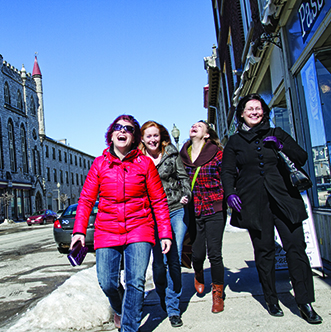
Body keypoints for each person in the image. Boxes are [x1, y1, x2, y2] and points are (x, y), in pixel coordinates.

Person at [221, 93, 322, 324]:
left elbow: (302, 157)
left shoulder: (277, 133)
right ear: (242, 114)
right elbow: (227, 171)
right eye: (250, 109)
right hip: (254, 204)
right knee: (264, 252)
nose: (254, 112)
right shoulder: (235, 142)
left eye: (258, 108)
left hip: (285, 199)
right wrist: (230, 193)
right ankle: (271, 298)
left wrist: (282, 146)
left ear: (264, 112)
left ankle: (304, 302)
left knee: (296, 247)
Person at [70, 115, 172, 332]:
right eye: (118, 127)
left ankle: (129, 328)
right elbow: (87, 199)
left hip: (139, 228)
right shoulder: (100, 164)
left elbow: (158, 200)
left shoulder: (144, 164)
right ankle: (120, 307)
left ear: (135, 137)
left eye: (128, 128)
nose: (122, 131)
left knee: (136, 281)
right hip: (107, 229)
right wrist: (78, 231)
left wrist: (164, 232)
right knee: (107, 282)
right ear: (111, 134)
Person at [139, 121, 191, 327]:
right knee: (159, 263)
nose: (153, 139)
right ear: (142, 139)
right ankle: (162, 293)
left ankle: (173, 307)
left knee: (174, 258)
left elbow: (183, 177)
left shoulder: (171, 153)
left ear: (161, 136)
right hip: (151, 215)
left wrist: (186, 193)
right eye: (148, 136)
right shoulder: (138, 159)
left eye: (156, 135)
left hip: (175, 209)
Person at [179, 120, 226, 313]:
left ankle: (218, 293)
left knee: (214, 253)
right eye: (192, 125)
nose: (194, 126)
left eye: (199, 125)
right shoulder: (182, 156)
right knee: (197, 254)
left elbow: (229, 176)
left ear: (207, 134)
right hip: (192, 210)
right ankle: (198, 272)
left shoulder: (217, 153)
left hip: (214, 208)